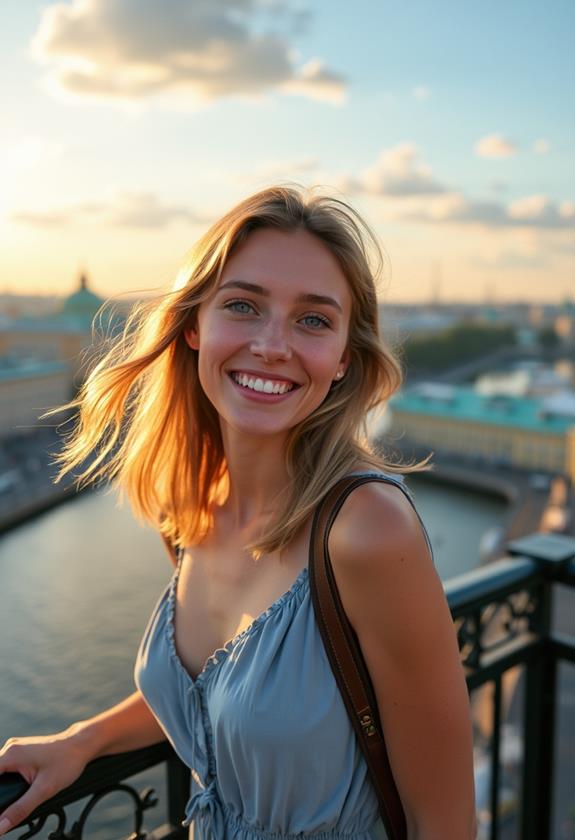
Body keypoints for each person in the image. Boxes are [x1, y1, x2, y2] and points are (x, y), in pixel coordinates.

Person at [0, 186, 476, 839]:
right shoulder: (190, 504)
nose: (272, 344)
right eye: (243, 306)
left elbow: (443, 822)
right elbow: (209, 699)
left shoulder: (366, 529)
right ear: (194, 325)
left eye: (312, 320)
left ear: (342, 358)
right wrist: (82, 740)